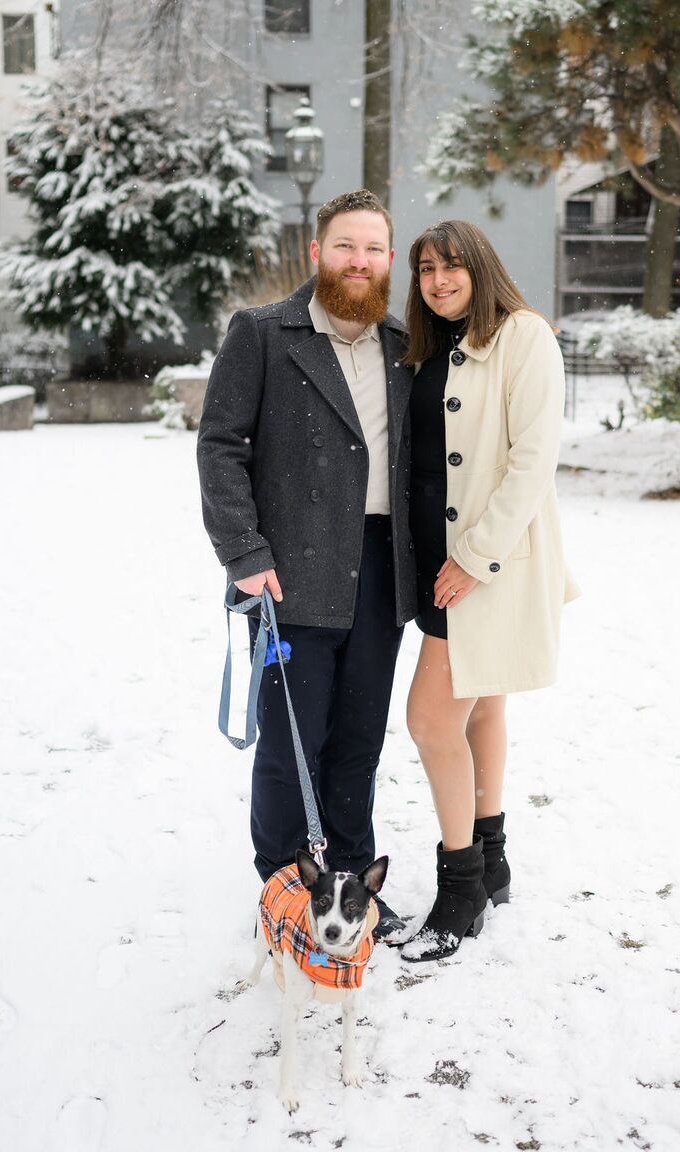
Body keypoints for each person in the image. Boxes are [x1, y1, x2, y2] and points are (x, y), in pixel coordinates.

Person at [197, 189, 417, 940]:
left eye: (374, 249)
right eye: (346, 246)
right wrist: (245, 553)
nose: (360, 261)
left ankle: (353, 886)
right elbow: (221, 447)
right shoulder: (262, 333)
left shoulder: (402, 344)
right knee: (295, 745)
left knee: (359, 741)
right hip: (288, 573)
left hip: (382, 573)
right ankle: (287, 887)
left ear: (390, 260)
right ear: (317, 252)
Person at [400, 220, 578, 963]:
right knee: (481, 708)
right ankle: (493, 853)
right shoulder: (429, 348)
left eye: (451, 268)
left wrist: (473, 558)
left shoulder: (523, 335)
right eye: (425, 270)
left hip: (484, 565)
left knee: (429, 721)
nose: (438, 281)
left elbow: (534, 459)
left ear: (480, 267)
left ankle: (460, 884)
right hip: (440, 560)